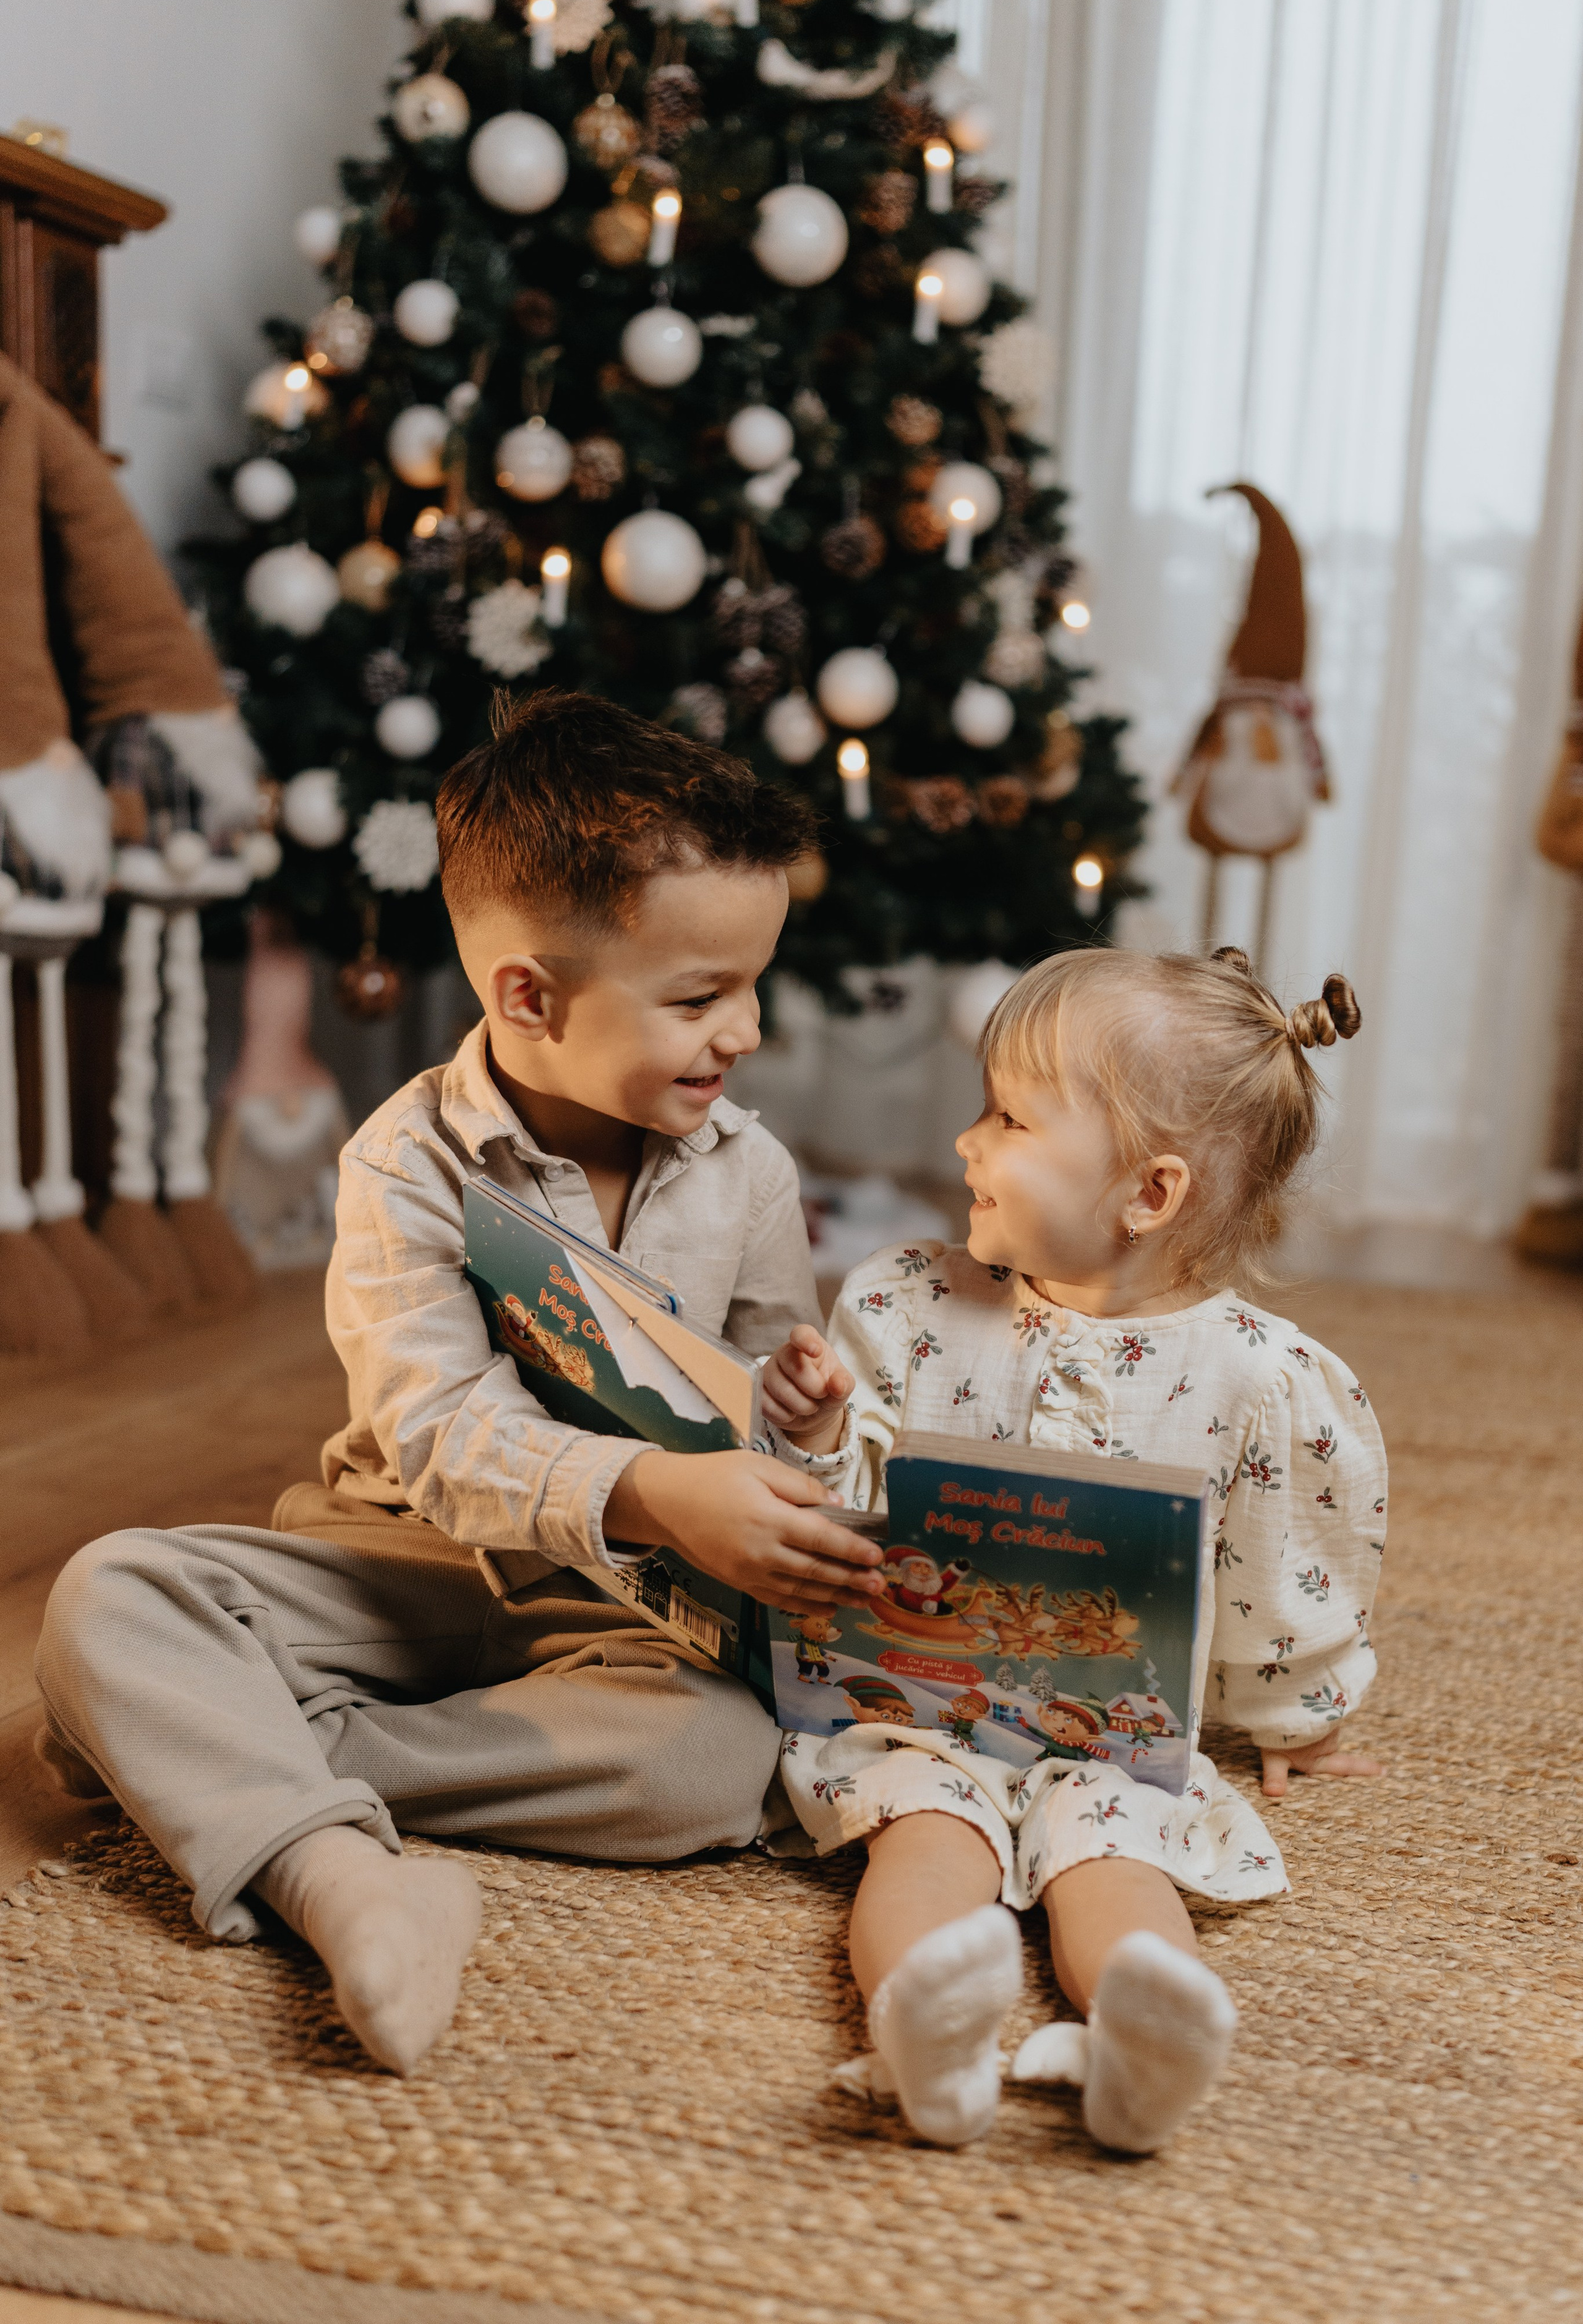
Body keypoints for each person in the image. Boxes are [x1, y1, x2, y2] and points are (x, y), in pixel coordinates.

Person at [35, 692, 880, 2079]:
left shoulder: (751, 1170)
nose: (744, 1033)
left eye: (751, 985)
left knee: (711, 1770)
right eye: (696, 997)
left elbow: (762, 1409)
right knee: (112, 1590)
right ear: (526, 997)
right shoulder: (402, 1162)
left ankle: (222, 1757)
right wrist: (655, 1487)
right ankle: (344, 1880)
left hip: (615, 1613)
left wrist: (798, 1415)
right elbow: (432, 1433)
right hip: (397, 1562)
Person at [759, 947, 1387, 2154]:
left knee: (1111, 1864)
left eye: (1005, 1118)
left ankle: (1144, 2041)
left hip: (1112, 1733)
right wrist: (824, 1425)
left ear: (1146, 1194)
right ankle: (922, 2033)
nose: (964, 1143)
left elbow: (1280, 1571)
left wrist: (1296, 1718)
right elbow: (843, 1512)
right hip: (922, 1713)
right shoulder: (907, 1304)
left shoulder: (1256, 1378)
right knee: (921, 1850)